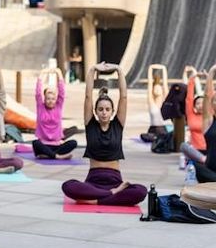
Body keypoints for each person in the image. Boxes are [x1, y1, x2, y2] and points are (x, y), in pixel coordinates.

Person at [62, 63, 146, 205]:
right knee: (68, 186)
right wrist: (92, 70)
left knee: (141, 191)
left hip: (115, 181)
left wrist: (119, 70)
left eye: (107, 109)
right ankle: (109, 195)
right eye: (100, 109)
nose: (104, 112)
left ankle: (95, 199)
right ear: (95, 111)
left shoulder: (117, 125)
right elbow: (88, 96)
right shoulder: (91, 125)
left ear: (113, 111)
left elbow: (124, 97)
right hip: (93, 182)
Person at [33, 66, 77, 159]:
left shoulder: (58, 107)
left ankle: (48, 155)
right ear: (44, 99)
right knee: (35, 143)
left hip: (57, 145)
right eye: (48, 98)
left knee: (73, 143)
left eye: (53, 99)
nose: (50, 101)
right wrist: (42, 73)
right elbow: (37, 92)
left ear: (56, 100)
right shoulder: (41, 107)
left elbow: (62, 92)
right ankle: (57, 156)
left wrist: (59, 73)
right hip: (43, 144)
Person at [181, 70, 207, 164]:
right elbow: (189, 99)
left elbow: (212, 95)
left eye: (203, 103)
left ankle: (205, 160)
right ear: (195, 106)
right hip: (195, 150)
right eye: (198, 103)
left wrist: (209, 79)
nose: (200, 105)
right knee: (183, 146)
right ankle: (203, 160)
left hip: (210, 150)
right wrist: (192, 78)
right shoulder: (191, 115)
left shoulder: (209, 116)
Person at [140, 65, 169, 142]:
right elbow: (150, 84)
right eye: (155, 88)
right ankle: (157, 139)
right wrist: (150, 68)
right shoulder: (151, 102)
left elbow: (165, 84)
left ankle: (160, 139)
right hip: (152, 129)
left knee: (165, 137)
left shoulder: (165, 100)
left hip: (162, 129)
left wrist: (163, 69)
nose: (157, 89)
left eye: (158, 87)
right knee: (144, 136)